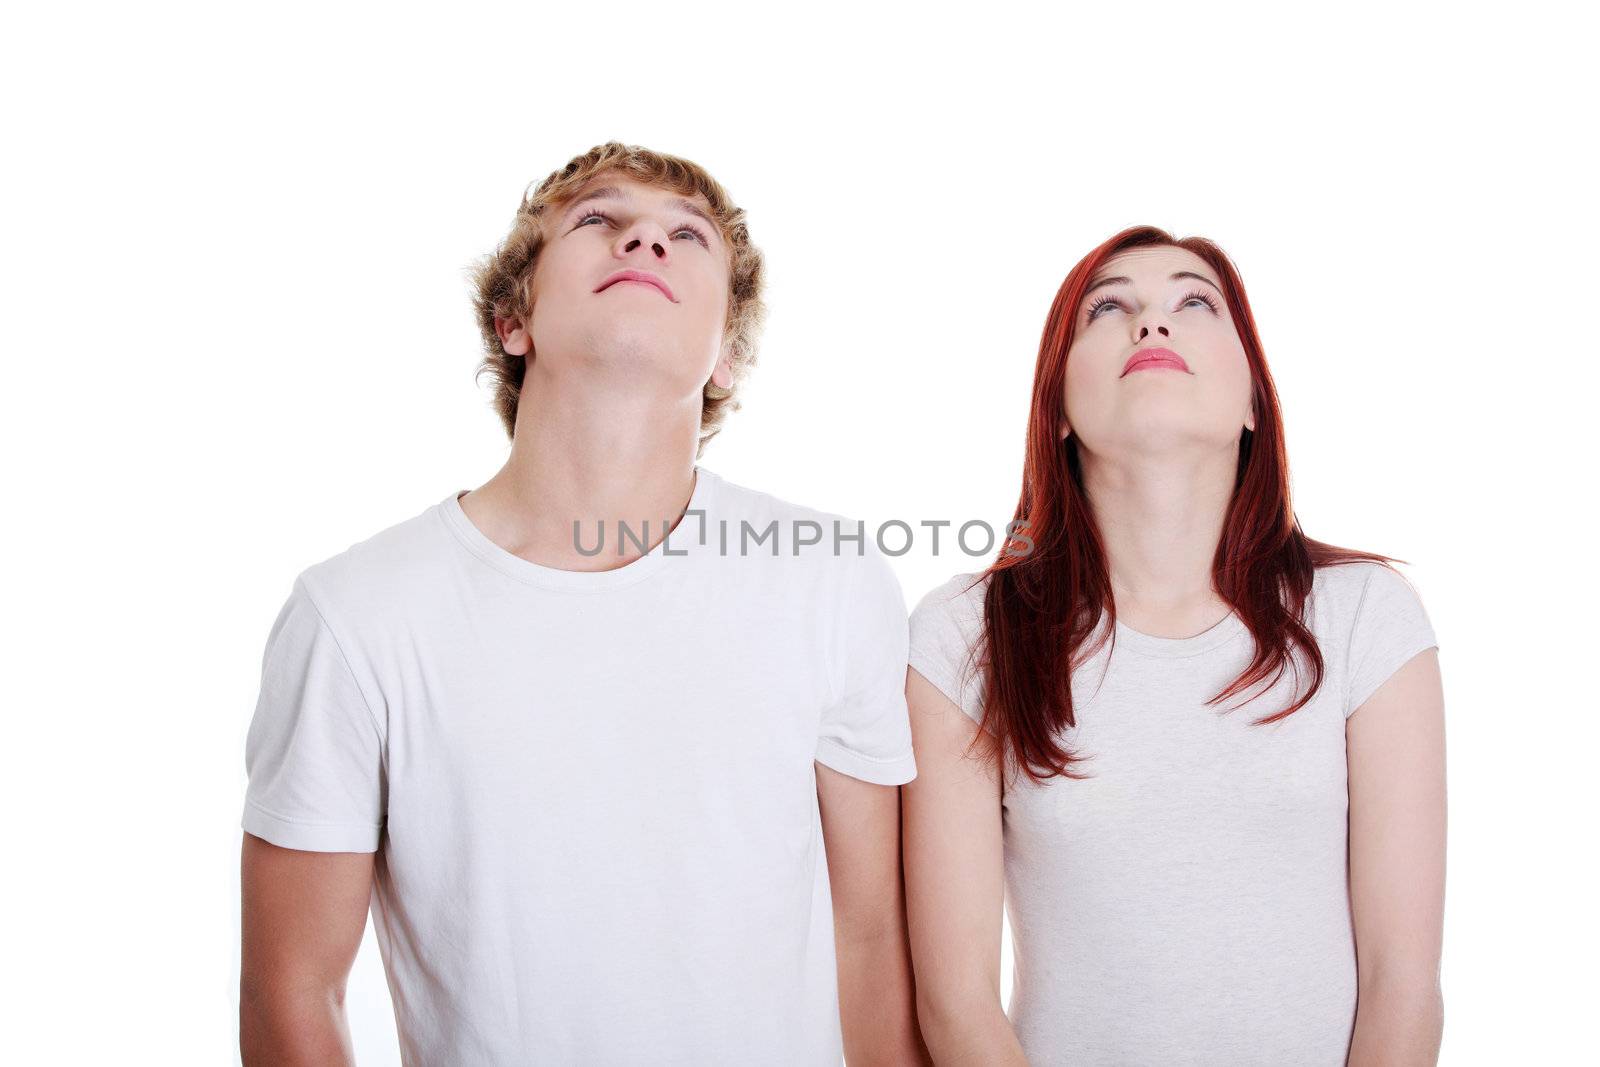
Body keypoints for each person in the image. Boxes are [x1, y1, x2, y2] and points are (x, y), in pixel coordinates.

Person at [239, 142, 926, 1065]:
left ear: (727, 355)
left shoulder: (831, 581)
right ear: (512, 319)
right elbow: (293, 988)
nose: (646, 239)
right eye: (598, 220)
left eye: (688, 236)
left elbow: (871, 938)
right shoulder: (356, 615)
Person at [902, 226, 1446, 1066]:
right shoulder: (961, 634)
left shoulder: (1367, 615)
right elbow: (956, 1001)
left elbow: (1402, 986)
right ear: (1054, 412)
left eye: (1195, 301)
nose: (1151, 323)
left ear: (1253, 403)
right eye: (1108, 307)